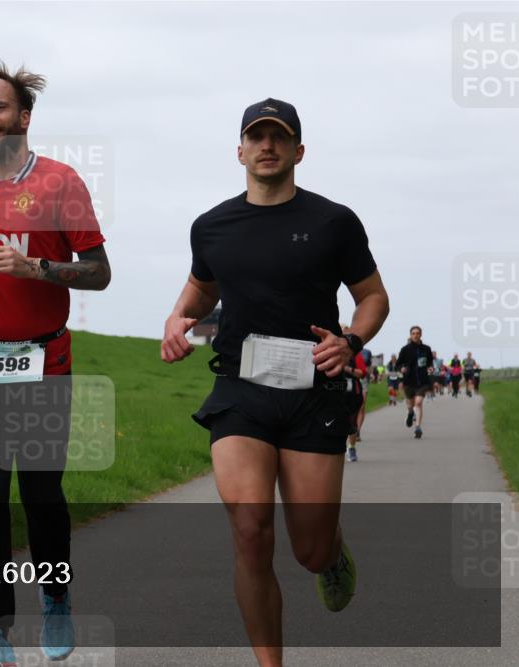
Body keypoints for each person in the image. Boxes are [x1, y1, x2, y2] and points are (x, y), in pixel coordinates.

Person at [161, 98, 389, 667]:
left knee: (308, 549)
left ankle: (331, 554)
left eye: (279, 137)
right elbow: (201, 288)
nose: (267, 146)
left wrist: (351, 342)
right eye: (256, 136)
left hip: (315, 394)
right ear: (239, 150)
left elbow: (373, 298)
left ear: (298, 151)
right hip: (241, 390)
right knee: (250, 528)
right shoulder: (211, 225)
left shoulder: (333, 221)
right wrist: (176, 317)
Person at [0, 58, 111, 667]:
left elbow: (100, 272)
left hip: (42, 362)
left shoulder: (61, 183)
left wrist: (38, 268)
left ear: (24, 116)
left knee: (40, 495)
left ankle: (56, 601)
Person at [395, 326, 433, 438]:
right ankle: (411, 413)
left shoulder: (426, 349)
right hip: (409, 381)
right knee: (411, 404)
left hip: (422, 381)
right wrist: (401, 368)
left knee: (418, 403)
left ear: (421, 335)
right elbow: (398, 364)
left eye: (417, 333)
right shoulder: (405, 349)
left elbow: (430, 362)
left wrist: (430, 368)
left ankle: (418, 427)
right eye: (413, 333)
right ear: (410, 335)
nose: (416, 335)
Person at [343, 345, 367, 462]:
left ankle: (351, 447)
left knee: (352, 422)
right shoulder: (329, 352)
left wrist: (347, 369)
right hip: (333, 392)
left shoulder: (356, 355)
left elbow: (361, 373)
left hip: (353, 393)